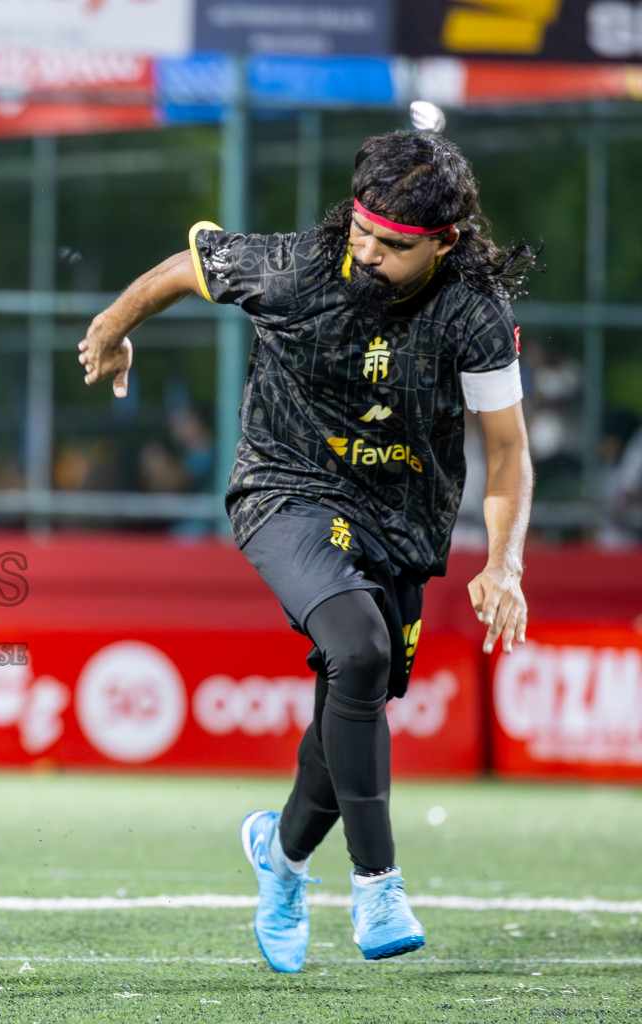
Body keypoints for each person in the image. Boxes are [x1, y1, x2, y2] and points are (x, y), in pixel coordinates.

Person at [79, 129, 535, 972]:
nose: (366, 254)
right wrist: (111, 327)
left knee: (353, 696)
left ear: (445, 243)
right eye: (361, 230)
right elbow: (183, 269)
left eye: (392, 246)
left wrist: (503, 562)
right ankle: (378, 883)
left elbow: (506, 450)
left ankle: (282, 860)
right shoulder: (295, 267)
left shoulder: (474, 312)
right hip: (285, 489)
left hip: (403, 522)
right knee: (358, 653)